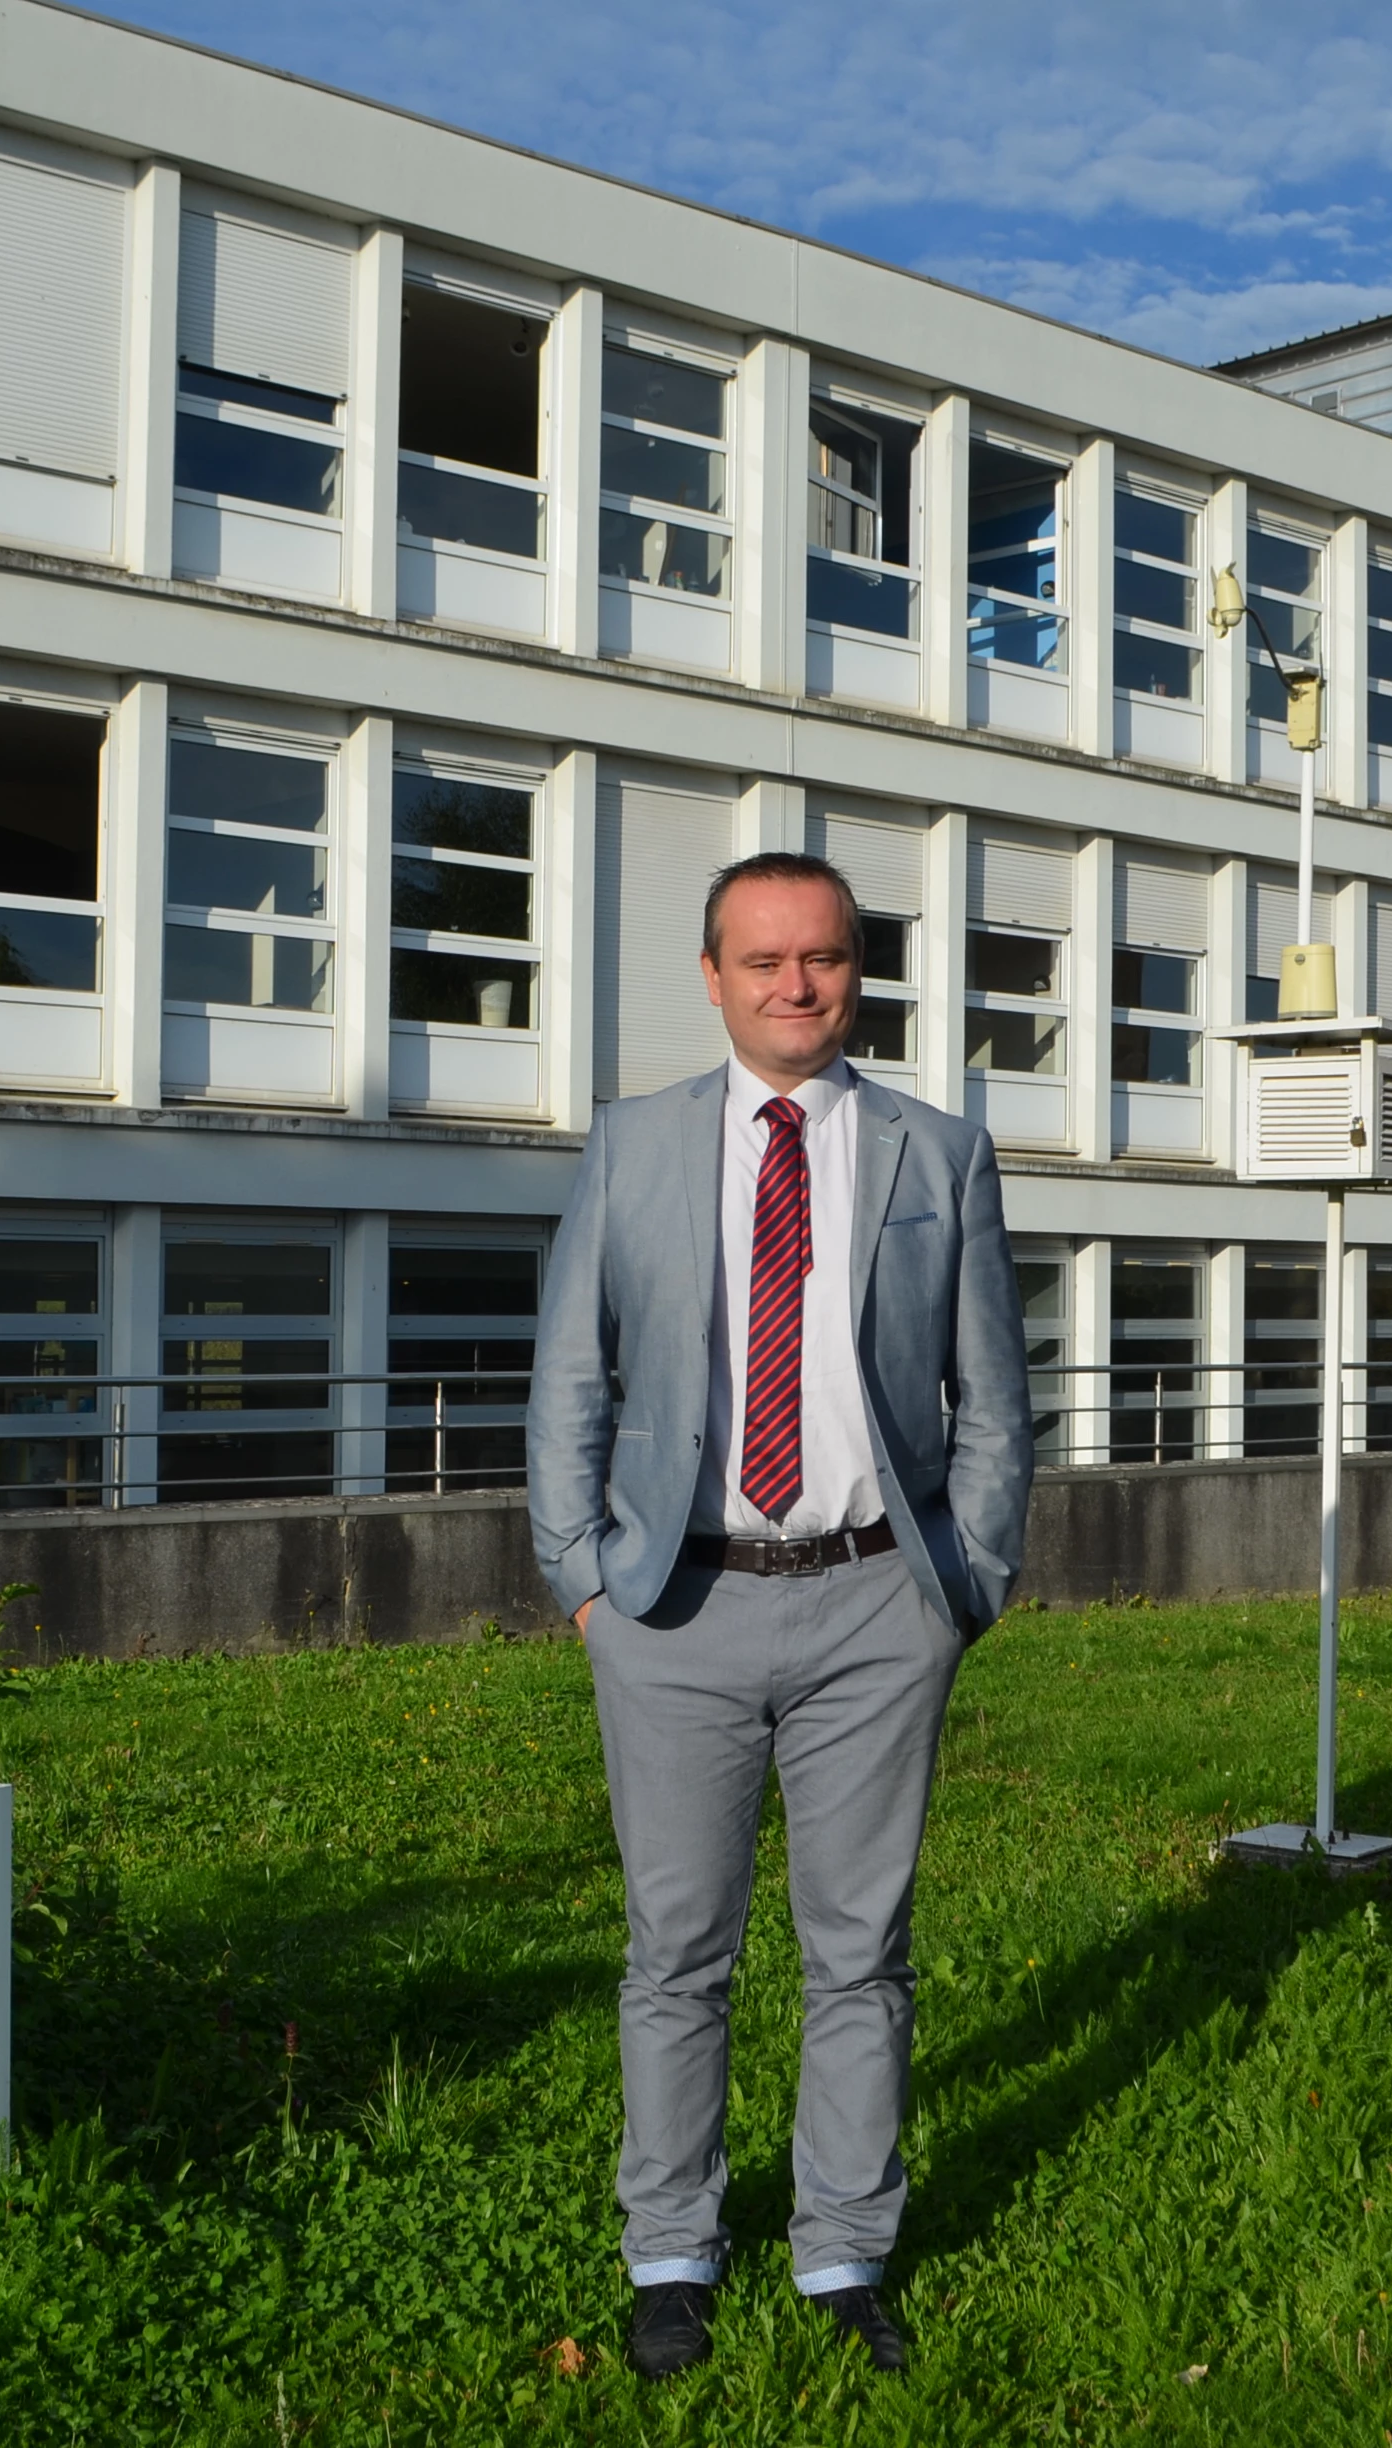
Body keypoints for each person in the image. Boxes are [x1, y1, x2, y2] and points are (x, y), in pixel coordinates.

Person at [527, 850, 1034, 2380]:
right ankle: (672, 2248)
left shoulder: (937, 1154)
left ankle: (845, 2249)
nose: (793, 985)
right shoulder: (636, 1145)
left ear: (855, 973)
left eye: (820, 958)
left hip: (880, 1603)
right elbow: (570, 1372)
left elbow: (997, 1400)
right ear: (712, 977)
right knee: (676, 1949)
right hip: (673, 1608)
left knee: (859, 1951)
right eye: (762, 961)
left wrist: (969, 1584)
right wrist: (582, 1580)